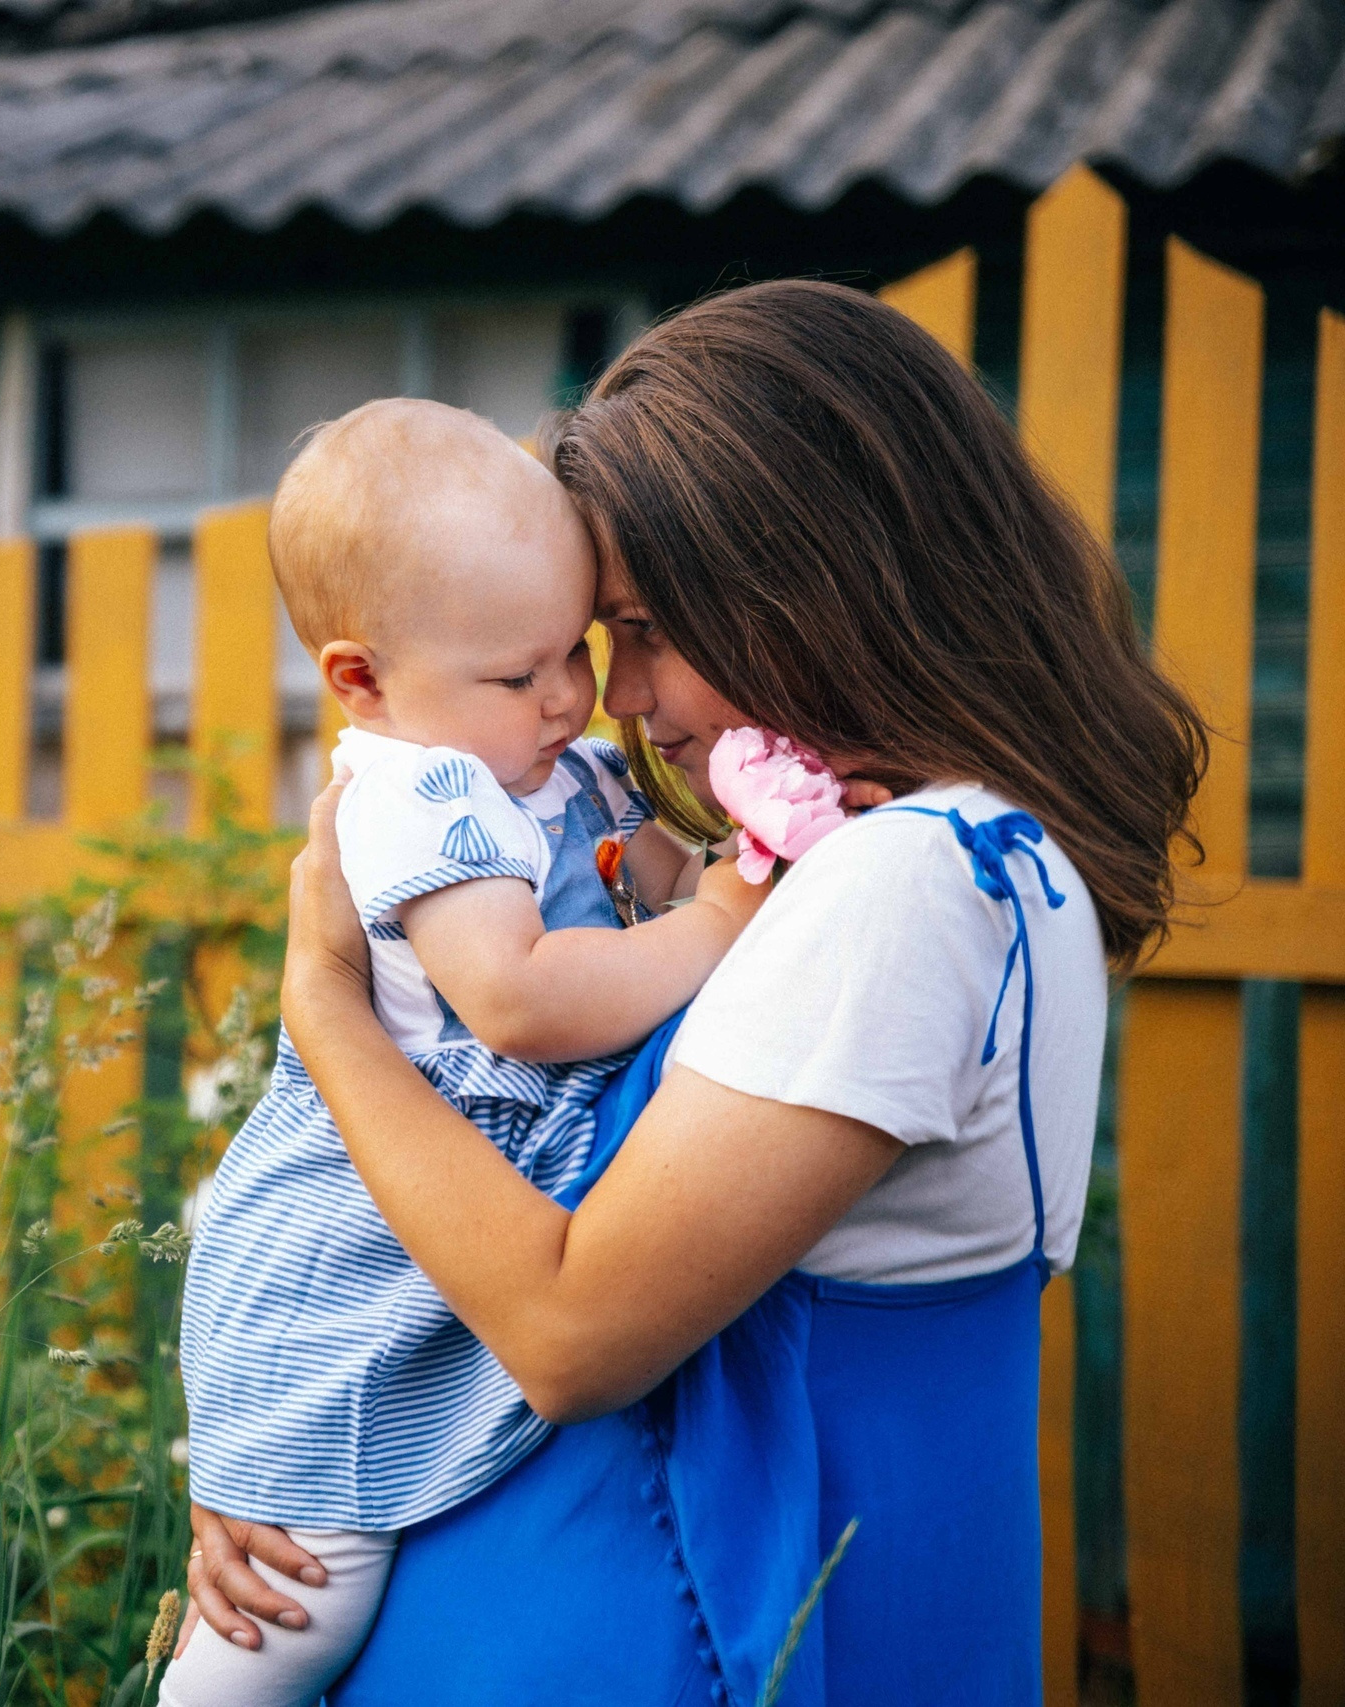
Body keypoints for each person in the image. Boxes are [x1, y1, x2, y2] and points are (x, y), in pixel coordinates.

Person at [180, 279, 1208, 1705]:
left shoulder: (914, 881)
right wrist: (296, 1445)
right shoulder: (899, 857)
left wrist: (328, 1015)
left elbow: (565, 1332)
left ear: (815, 582)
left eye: (645, 627)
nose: (618, 697)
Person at [164, 401, 766, 1707]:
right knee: (300, 1597)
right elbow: (521, 1000)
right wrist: (722, 917)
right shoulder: (418, 793)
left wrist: (731, 861)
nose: (566, 699)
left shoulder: (537, 761)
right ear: (361, 681)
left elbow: (634, 869)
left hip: (452, 1223)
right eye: (518, 674)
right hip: (359, 1241)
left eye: (576, 652)